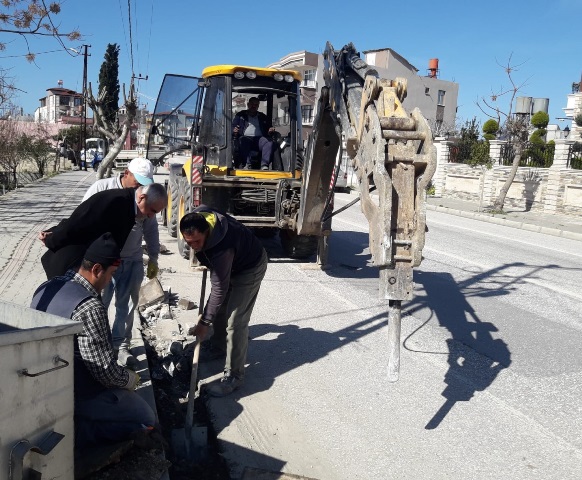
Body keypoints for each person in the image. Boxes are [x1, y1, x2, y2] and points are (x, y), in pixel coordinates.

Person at [31, 233, 156, 449]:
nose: (110, 281)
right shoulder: (89, 307)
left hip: (42, 384)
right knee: (145, 417)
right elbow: (104, 372)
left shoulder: (48, 286)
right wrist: (130, 380)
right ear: (97, 269)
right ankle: (80, 431)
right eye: (111, 274)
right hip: (76, 392)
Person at [180, 206, 268, 397]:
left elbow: (219, 288)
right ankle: (219, 346)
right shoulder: (201, 215)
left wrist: (204, 323)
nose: (193, 246)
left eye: (197, 241)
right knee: (218, 310)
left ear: (207, 232)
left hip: (249, 267)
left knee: (235, 322)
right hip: (231, 265)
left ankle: (234, 375)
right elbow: (218, 290)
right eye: (189, 242)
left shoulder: (222, 248)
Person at [82, 157, 161, 366]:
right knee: (98, 305)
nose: (142, 187)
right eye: (138, 182)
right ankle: (99, 346)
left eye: (146, 183)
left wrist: (153, 258)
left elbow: (151, 229)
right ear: (126, 173)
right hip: (103, 263)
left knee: (125, 306)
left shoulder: (145, 195)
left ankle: (121, 346)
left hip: (131, 260)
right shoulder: (102, 188)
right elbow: (83, 217)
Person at [39, 182, 167, 280]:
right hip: (70, 264)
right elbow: (77, 221)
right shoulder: (115, 201)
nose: (151, 216)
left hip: (91, 270)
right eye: (152, 211)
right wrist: (52, 238)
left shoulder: (129, 208)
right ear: (142, 198)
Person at [232, 96, 276, 170]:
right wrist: (234, 130)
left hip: (259, 139)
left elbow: (269, 128)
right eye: (252, 104)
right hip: (245, 137)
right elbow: (233, 126)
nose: (254, 106)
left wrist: (270, 131)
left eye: (256, 105)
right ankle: (247, 164)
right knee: (243, 140)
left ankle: (264, 165)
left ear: (258, 106)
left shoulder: (262, 117)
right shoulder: (241, 115)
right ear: (248, 104)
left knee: (269, 142)